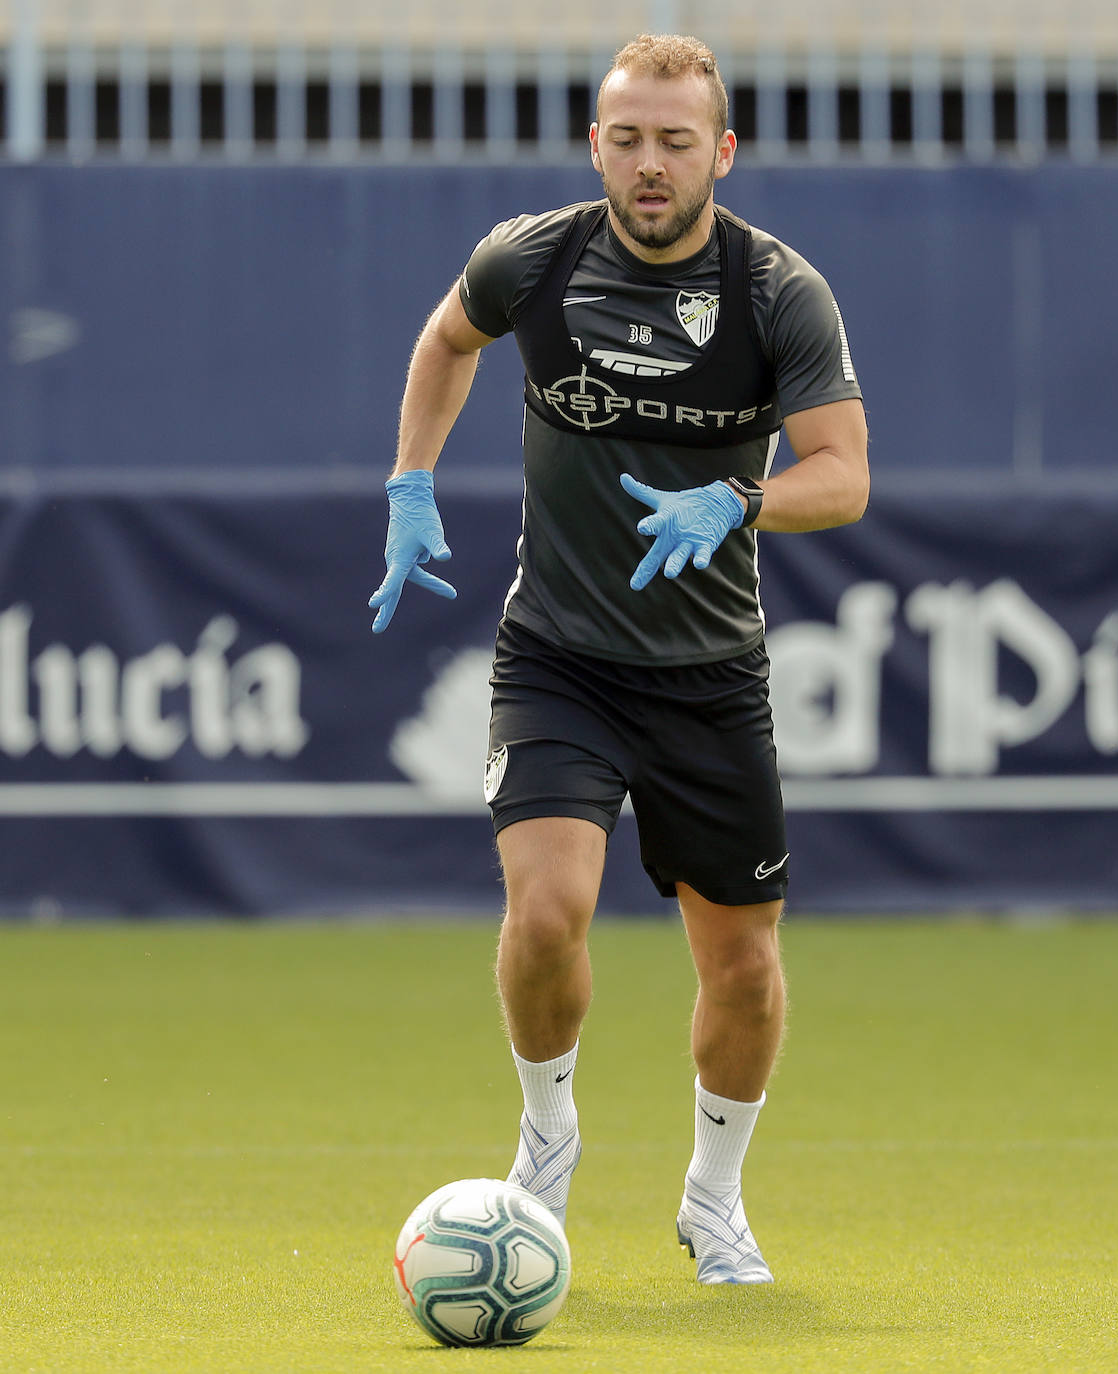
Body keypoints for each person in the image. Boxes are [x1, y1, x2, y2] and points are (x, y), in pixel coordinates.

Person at [369, 33, 868, 1285]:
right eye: (627, 139)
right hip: (560, 657)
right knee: (545, 913)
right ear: (596, 144)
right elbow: (446, 341)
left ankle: (712, 1200)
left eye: (677, 141)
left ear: (722, 150)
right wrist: (410, 481)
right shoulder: (533, 257)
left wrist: (736, 501)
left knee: (744, 968)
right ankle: (546, 1141)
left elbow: (845, 477)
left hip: (709, 672)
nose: (651, 165)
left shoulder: (777, 292)